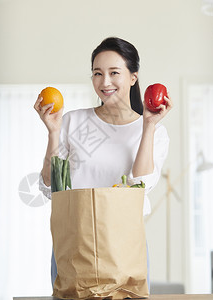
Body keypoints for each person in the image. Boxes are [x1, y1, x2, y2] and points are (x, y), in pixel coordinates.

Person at [33, 37, 172, 291]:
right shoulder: (73, 122)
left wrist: (148, 126)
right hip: (73, 243)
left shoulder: (155, 132)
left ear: (133, 77)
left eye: (114, 72)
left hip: (124, 246)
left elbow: (141, 184)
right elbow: (50, 185)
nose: (104, 82)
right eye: (97, 73)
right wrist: (53, 132)